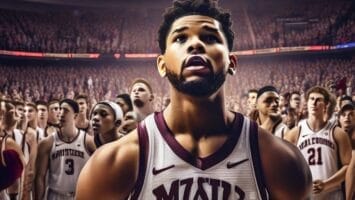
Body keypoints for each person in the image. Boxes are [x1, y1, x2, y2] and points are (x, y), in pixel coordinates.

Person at [76, 0, 312, 199]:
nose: (196, 44)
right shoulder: (114, 161)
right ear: (161, 64)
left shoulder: (280, 159)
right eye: (180, 39)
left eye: (210, 38)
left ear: (232, 62)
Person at [285, 86, 352, 199]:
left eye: (318, 100)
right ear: (307, 102)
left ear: (326, 105)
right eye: (311, 99)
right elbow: (285, 168)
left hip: (333, 195)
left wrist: (326, 184)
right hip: (305, 196)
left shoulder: (338, 133)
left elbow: (348, 166)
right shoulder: (294, 134)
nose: (314, 102)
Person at [35, 99, 95, 200]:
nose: (61, 113)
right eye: (60, 109)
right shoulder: (47, 143)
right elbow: (40, 177)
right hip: (55, 194)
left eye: (66, 110)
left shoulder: (88, 141)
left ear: (75, 116)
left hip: (80, 195)